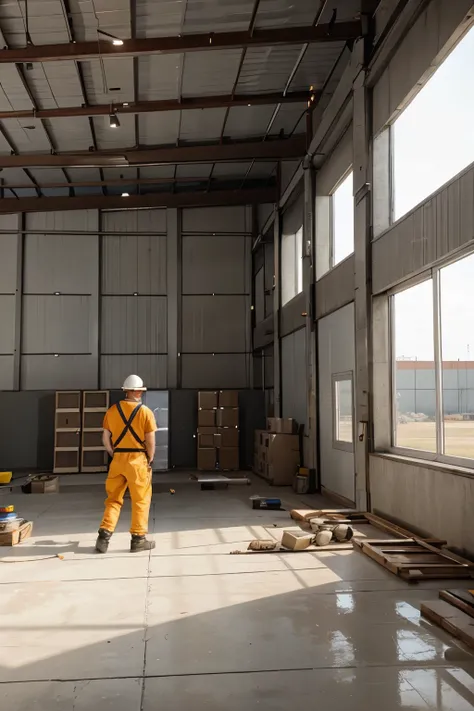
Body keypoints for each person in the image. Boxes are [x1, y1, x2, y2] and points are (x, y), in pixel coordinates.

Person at [96, 374, 157, 554]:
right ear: (138, 392)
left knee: (113, 499)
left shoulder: (112, 411)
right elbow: (150, 440)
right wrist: (150, 457)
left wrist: (112, 452)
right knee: (141, 500)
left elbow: (105, 437)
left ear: (126, 391)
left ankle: (104, 536)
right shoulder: (145, 412)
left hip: (118, 460)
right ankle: (138, 539)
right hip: (137, 461)